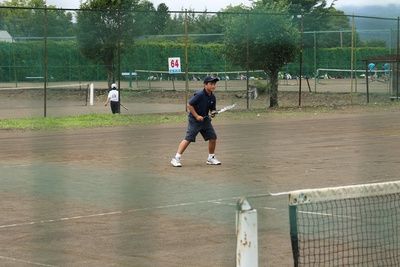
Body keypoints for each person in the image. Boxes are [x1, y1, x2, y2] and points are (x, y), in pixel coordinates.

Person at [171, 75, 221, 167]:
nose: (213, 86)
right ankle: (176, 158)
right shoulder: (199, 95)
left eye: (214, 84)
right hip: (194, 120)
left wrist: (213, 113)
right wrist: (197, 116)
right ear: (205, 85)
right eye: (211, 84)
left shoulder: (212, 97)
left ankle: (211, 158)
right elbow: (189, 105)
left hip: (205, 120)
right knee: (189, 138)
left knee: (213, 137)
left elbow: (212, 109)